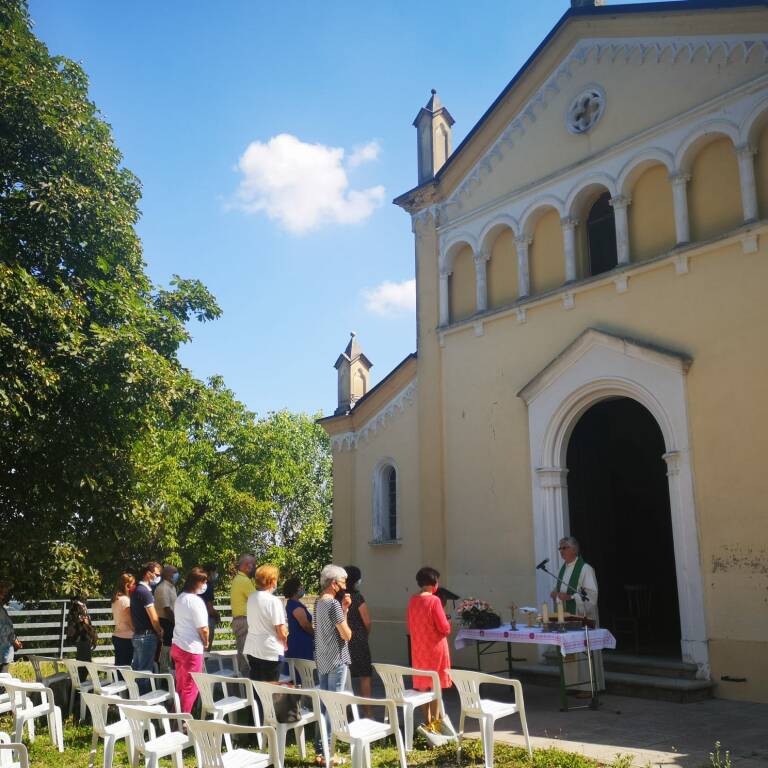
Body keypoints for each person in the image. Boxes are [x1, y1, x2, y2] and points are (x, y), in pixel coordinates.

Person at [551, 535, 604, 693]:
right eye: (560, 548)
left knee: (582, 652)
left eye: (564, 548)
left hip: (582, 617)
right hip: (567, 618)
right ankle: (572, 685)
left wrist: (570, 597)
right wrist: (556, 594)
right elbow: (561, 590)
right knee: (570, 652)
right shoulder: (563, 570)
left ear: (574, 549)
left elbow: (591, 595)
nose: (561, 551)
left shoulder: (585, 569)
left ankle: (588, 688)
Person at [313, 564, 352, 765]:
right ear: (334, 583)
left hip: (323, 658)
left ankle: (320, 750)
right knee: (333, 706)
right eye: (343, 582)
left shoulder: (318, 602)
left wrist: (344, 609)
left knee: (323, 705)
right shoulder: (333, 604)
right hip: (336, 658)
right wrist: (344, 610)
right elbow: (346, 634)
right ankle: (328, 752)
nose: (345, 586)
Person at [406, 566, 452, 725]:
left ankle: (427, 721)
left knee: (423, 687)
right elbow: (444, 628)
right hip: (434, 648)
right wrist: (447, 620)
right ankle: (436, 723)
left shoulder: (413, 600)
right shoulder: (434, 600)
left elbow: (411, 625)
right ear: (434, 582)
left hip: (418, 648)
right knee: (435, 686)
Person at [171, 567, 210, 715]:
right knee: (191, 687)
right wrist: (205, 642)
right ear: (198, 582)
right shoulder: (195, 601)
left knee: (181, 685)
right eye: (204, 582)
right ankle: (183, 721)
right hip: (191, 648)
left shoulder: (181, 597)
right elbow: (203, 628)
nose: (205, 585)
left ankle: (175, 715)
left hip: (178, 644)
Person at [243, 565, 287, 682]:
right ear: (272, 581)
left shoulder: (251, 597)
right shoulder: (274, 601)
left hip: (253, 647)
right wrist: (285, 641)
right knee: (270, 690)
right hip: (270, 650)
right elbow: (281, 631)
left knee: (257, 687)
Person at [130, 561, 164, 690]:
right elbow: (153, 617)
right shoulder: (145, 592)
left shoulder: (136, 590)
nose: (157, 577)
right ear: (148, 574)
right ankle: (142, 702)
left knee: (137, 670)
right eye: (156, 574)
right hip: (147, 636)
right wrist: (159, 630)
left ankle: (133, 697)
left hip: (138, 635)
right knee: (144, 672)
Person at [342, 566, 372, 703]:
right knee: (365, 676)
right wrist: (365, 634)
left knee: (345, 676)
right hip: (358, 640)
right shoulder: (358, 597)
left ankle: (347, 711)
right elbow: (367, 622)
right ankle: (368, 712)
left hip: (342, 640)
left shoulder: (338, 597)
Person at [230, 554, 256, 676]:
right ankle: (247, 689)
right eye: (254, 565)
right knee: (247, 657)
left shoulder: (238, 579)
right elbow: (257, 600)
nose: (255, 568)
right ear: (246, 566)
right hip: (244, 621)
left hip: (240, 621)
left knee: (243, 653)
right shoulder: (244, 581)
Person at [154, 565, 179, 673]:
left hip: (171, 621)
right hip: (166, 622)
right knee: (166, 649)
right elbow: (167, 609)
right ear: (168, 574)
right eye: (175, 572)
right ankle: (164, 673)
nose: (177, 575)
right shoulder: (163, 588)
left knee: (171, 649)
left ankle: (170, 671)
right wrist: (176, 623)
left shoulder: (172, 587)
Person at [66, 595, 98, 677]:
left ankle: (78, 685)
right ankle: (79, 687)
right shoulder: (78, 607)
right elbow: (83, 624)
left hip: (80, 638)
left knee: (82, 663)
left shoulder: (76, 605)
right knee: (84, 666)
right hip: (82, 638)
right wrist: (92, 635)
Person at [283, 577, 313, 661]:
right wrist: (316, 635)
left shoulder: (294, 603)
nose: (302, 588)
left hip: (300, 641)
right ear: (294, 589)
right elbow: (305, 625)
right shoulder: (295, 606)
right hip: (300, 642)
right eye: (300, 587)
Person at [111, 573, 135, 667]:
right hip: (126, 638)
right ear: (127, 585)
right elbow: (130, 622)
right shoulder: (126, 601)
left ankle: (117, 682)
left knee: (119, 666)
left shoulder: (116, 599)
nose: (134, 586)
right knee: (125, 667)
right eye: (133, 584)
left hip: (117, 635)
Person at [0, 581, 22, 674]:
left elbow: (7, 628)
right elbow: (6, 629)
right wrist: (14, 640)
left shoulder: (2, 609)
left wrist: (14, 640)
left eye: (5, 592)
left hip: (5, 652)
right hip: (3, 652)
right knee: (3, 681)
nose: (4, 595)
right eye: (2, 592)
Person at [200, 562, 221, 649]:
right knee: (205, 649)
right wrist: (217, 616)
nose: (216, 574)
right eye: (215, 572)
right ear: (210, 572)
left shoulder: (196, 583)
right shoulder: (208, 585)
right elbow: (210, 609)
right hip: (205, 619)